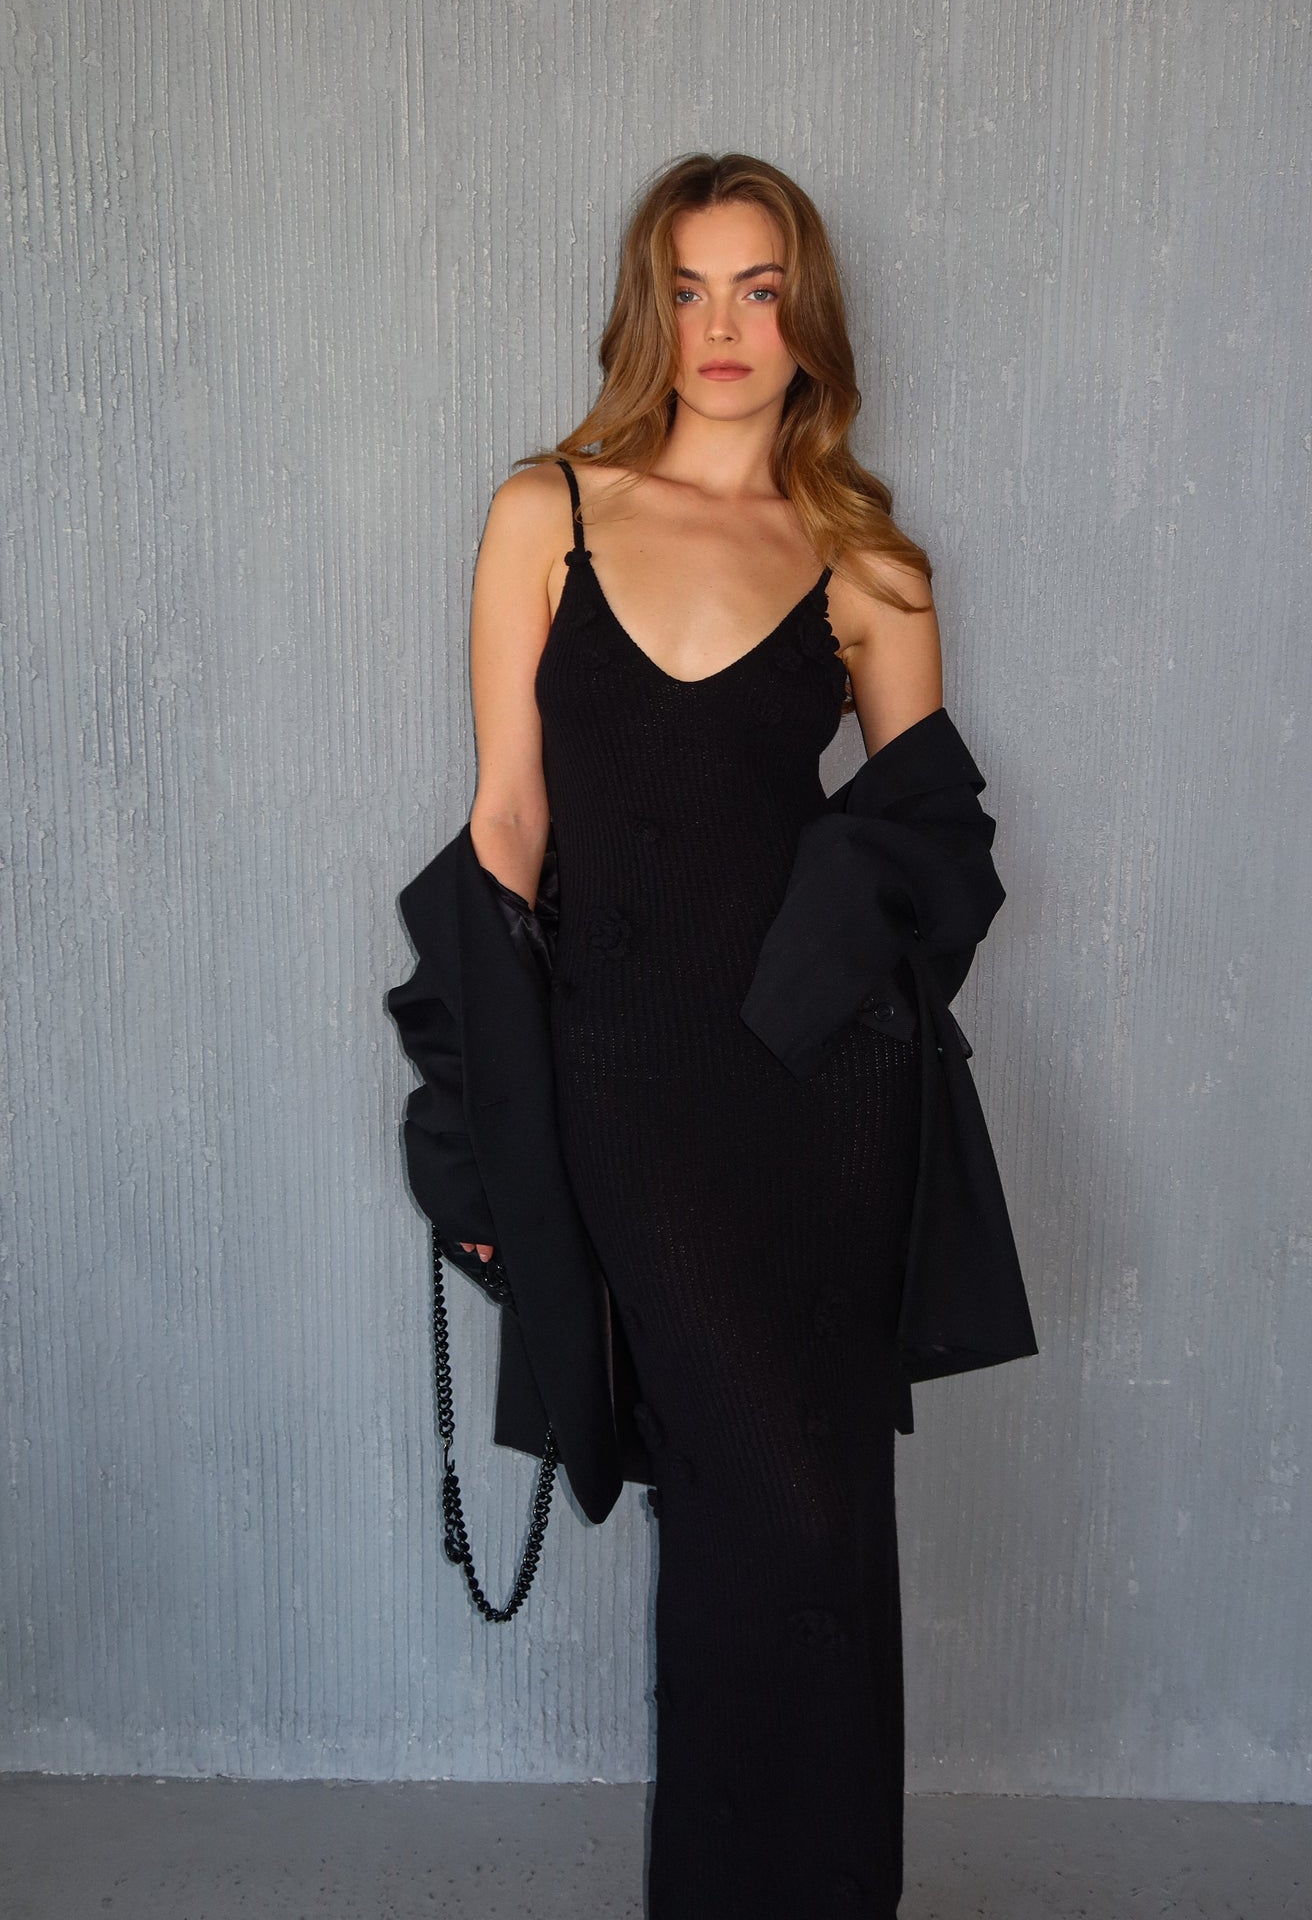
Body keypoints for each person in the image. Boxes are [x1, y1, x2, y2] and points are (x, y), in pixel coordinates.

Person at [460, 151, 949, 1919]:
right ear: (646, 313)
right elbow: (508, 831)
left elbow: (929, 847)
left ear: (805, 316)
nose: (723, 327)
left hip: (820, 1107)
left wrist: (824, 998)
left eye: (758, 289)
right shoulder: (548, 512)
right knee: (753, 1510)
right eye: (688, 290)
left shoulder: (864, 559)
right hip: (622, 1089)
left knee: (812, 1516)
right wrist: (488, 1135)